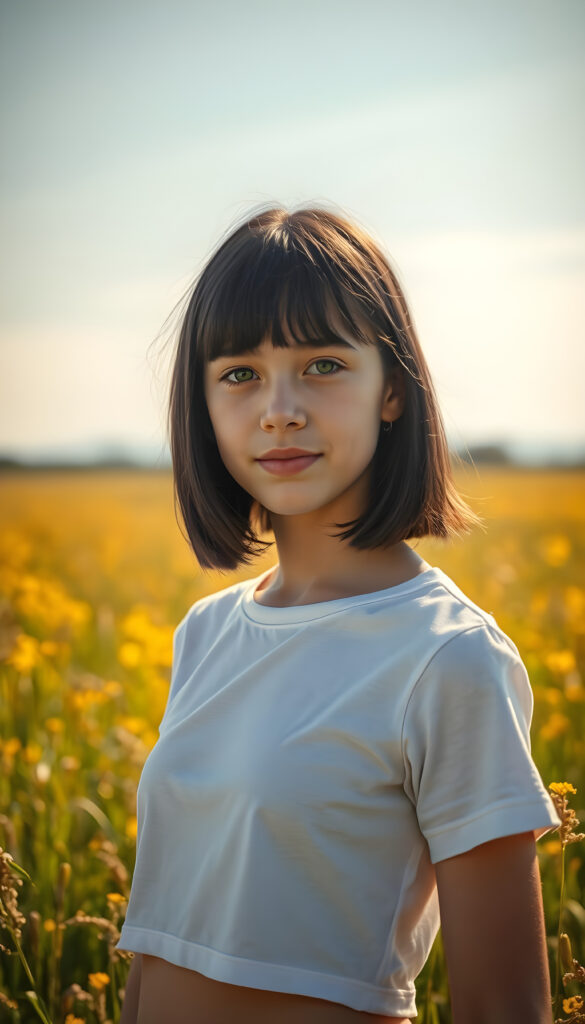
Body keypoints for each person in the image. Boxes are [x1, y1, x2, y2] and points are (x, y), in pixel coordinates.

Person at [117, 205, 560, 1024]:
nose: (278, 408)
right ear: (203, 404)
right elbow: (161, 937)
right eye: (239, 373)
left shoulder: (447, 658)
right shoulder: (205, 634)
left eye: (321, 364)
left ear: (392, 391)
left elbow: (505, 1004)